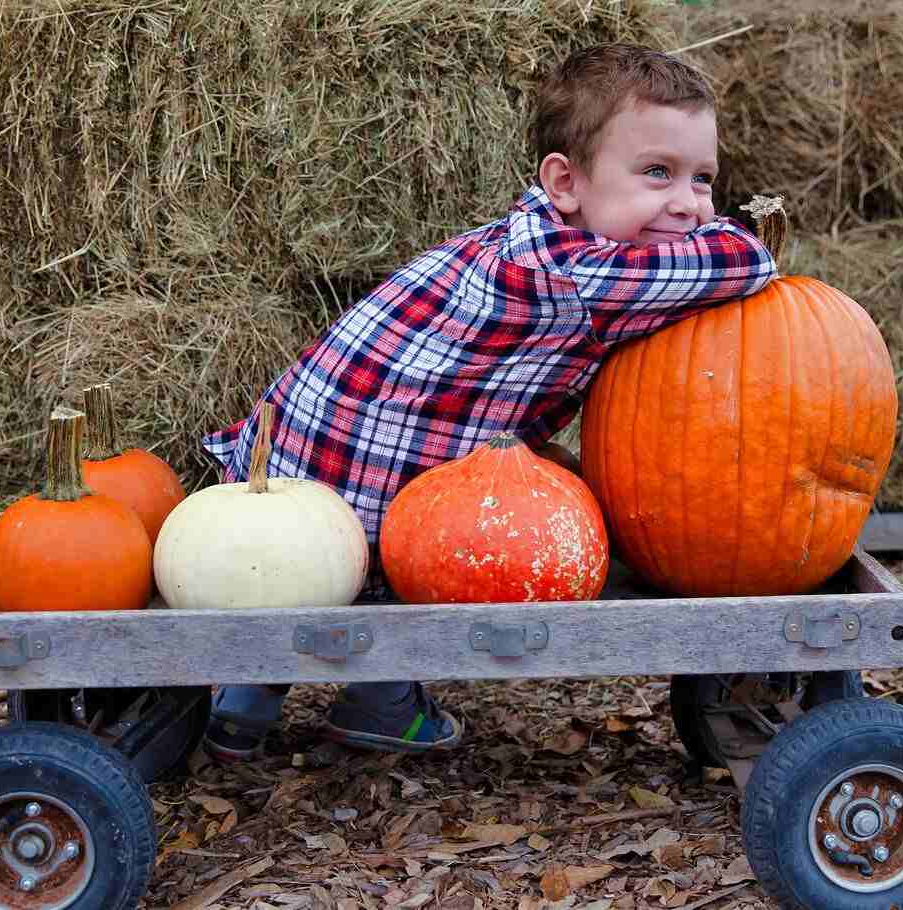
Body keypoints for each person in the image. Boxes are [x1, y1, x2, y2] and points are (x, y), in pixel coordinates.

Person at [200, 42, 778, 762]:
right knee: (379, 580)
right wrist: (751, 236)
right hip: (356, 487)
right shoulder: (569, 273)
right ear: (564, 182)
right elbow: (739, 264)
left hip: (290, 468)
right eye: (657, 173)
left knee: (295, 584)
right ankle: (375, 702)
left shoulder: (529, 241)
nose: (689, 205)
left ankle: (239, 708)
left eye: (704, 179)